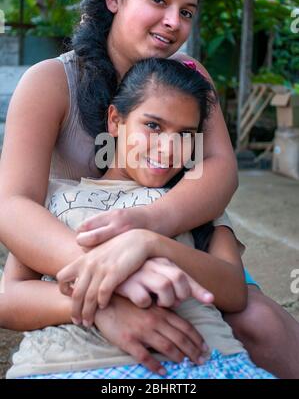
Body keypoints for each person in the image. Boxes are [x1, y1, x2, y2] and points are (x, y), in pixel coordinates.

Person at [0, 0, 298, 378]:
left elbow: (219, 171)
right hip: (71, 248)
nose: (173, 21)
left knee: (263, 325)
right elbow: (13, 204)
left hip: (176, 247)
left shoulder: (190, 78)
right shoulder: (51, 81)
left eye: (187, 12)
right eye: (159, 0)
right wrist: (106, 280)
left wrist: (147, 225)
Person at [3, 58, 275, 379]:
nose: (168, 147)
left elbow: (233, 289)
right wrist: (101, 302)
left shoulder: (190, 202)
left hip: (204, 361)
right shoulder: (57, 198)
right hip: (70, 365)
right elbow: (9, 299)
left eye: (186, 134)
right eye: (153, 126)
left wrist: (150, 243)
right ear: (116, 121)